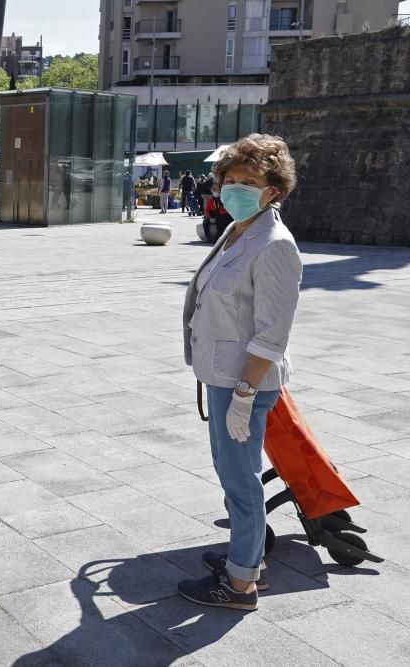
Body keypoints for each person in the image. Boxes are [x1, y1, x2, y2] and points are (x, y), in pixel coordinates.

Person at [179, 134, 302, 611]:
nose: (235, 187)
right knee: (232, 473)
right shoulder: (238, 229)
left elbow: (273, 335)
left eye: (249, 181)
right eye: (230, 179)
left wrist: (247, 395)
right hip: (223, 376)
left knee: (241, 480)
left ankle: (241, 586)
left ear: (274, 189)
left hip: (242, 383)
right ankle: (248, 560)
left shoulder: (274, 245)